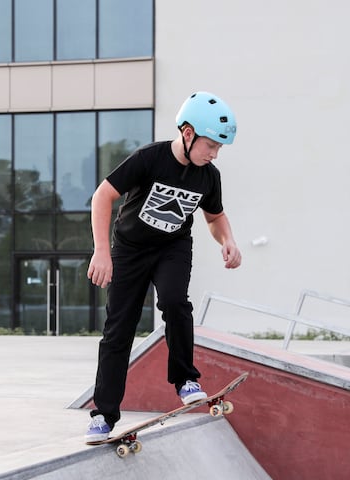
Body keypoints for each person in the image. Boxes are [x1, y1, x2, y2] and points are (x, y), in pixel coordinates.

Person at [84, 91, 242, 443]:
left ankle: (185, 380)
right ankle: (104, 415)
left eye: (219, 148)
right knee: (119, 330)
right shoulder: (149, 158)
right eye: (211, 145)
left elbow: (214, 216)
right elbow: (102, 196)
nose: (214, 154)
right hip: (130, 250)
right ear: (188, 134)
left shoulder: (208, 176)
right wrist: (101, 251)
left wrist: (227, 239)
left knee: (174, 302)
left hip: (172, 247)